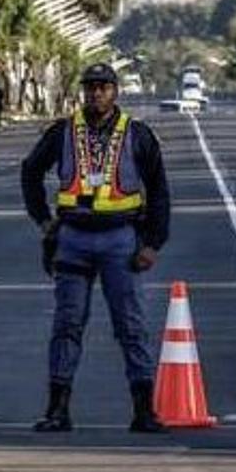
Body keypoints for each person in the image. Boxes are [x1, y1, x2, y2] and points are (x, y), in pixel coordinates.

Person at [20, 62, 172, 433]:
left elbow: (160, 191)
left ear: (115, 91)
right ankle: (58, 409)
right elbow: (30, 171)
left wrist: (152, 242)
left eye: (103, 87)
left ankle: (143, 410)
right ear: (83, 92)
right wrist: (44, 221)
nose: (96, 94)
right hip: (73, 238)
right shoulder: (62, 132)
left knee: (131, 325)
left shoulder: (137, 134)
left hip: (121, 240)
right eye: (90, 87)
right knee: (67, 323)